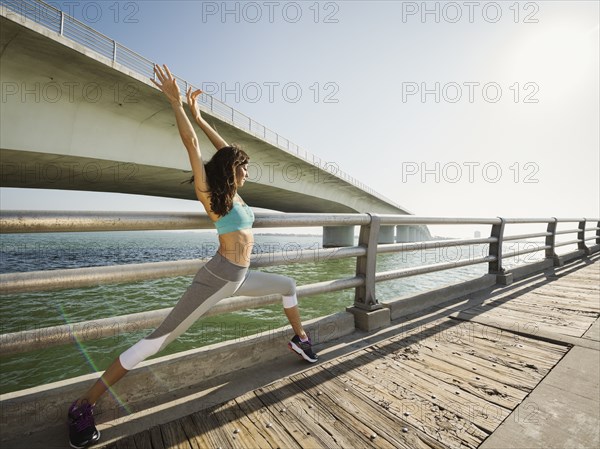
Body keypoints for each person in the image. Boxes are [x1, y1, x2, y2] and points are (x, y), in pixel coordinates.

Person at [67, 64, 318, 449]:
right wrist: (176, 104)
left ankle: (300, 339)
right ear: (233, 171)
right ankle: (83, 405)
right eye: (244, 167)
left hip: (241, 276)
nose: (248, 172)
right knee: (155, 343)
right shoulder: (212, 196)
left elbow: (223, 150)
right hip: (218, 278)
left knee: (288, 286)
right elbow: (192, 147)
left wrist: (201, 117)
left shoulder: (236, 194)